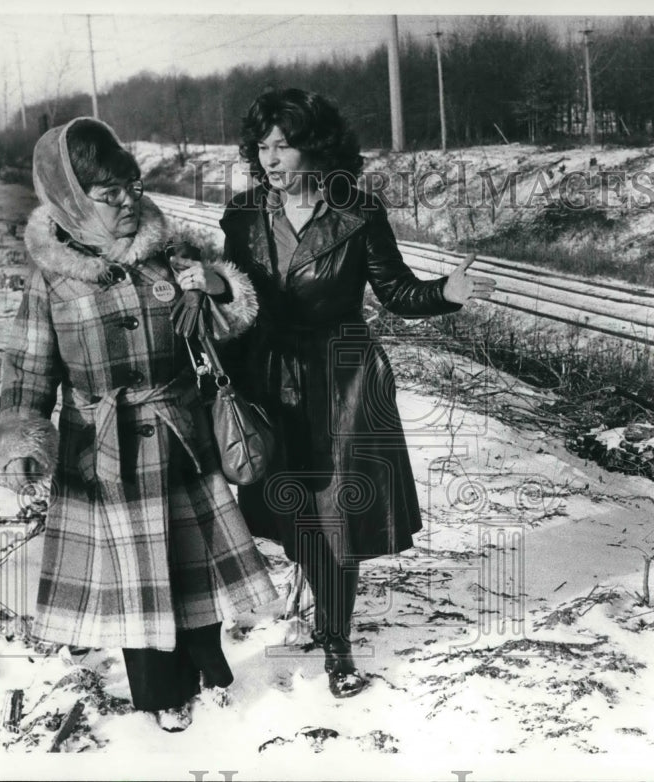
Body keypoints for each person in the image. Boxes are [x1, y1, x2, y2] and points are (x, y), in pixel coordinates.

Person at [0, 117, 277, 732]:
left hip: (178, 434)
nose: (126, 201)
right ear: (68, 198)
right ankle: (162, 697)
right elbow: (29, 369)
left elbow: (228, 326)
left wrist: (219, 287)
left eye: (130, 185)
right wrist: (21, 439)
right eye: (107, 192)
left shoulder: (169, 254)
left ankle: (212, 671)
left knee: (194, 568)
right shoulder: (50, 279)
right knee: (138, 585)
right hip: (103, 450)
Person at [219, 88, 495, 699]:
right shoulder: (241, 217)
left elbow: (396, 292)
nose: (271, 158)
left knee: (336, 515)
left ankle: (338, 642)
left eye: (284, 146)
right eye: (262, 146)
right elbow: (238, 300)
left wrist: (446, 293)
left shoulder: (357, 214)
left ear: (314, 149)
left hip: (342, 378)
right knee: (294, 510)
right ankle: (312, 605)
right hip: (269, 375)